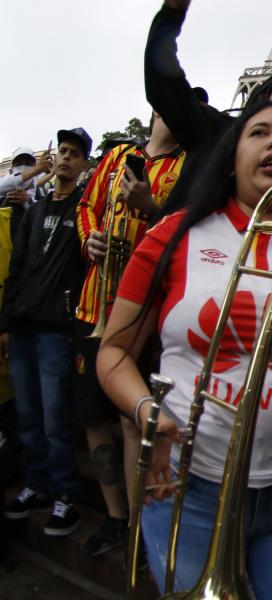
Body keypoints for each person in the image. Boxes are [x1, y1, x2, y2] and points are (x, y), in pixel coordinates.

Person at [95, 101, 272, 599]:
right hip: (185, 484)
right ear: (230, 157)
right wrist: (146, 412)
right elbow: (113, 353)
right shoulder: (172, 236)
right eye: (259, 133)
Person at [74, 112, 184, 557]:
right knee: (95, 418)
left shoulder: (185, 166)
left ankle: (141, 525)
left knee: (129, 417)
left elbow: (183, 230)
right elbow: (86, 207)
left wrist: (150, 207)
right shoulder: (119, 154)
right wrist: (90, 240)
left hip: (141, 314)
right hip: (94, 304)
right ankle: (116, 516)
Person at [146, 0, 272, 219]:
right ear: (265, 92)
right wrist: (172, 13)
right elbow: (163, 84)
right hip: (188, 246)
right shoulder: (214, 128)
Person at [0, 127, 92, 536]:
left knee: (56, 417)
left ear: (83, 163)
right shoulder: (34, 210)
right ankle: (36, 485)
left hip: (56, 329)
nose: (66, 159)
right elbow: (17, 266)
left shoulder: (84, 210)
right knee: (28, 414)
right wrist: (6, 323)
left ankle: (65, 495)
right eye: (63, 152)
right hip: (22, 327)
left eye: (75, 153)